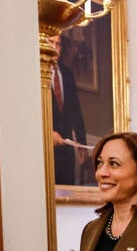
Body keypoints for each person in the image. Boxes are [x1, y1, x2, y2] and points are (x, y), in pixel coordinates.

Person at [49, 34, 88, 185]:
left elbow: (76, 111)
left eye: (57, 44)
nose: (54, 47)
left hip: (66, 148)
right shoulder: (34, 72)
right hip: (46, 147)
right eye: (50, 42)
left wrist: (81, 143)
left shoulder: (67, 74)